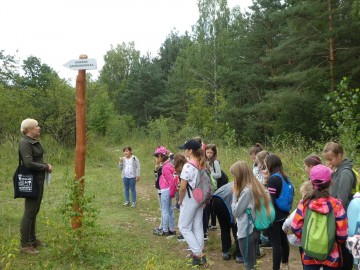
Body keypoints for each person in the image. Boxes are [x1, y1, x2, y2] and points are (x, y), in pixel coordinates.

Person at [291, 164, 348, 270]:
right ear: (330, 182)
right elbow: (342, 234)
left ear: (311, 182)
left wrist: (307, 238)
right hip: (332, 255)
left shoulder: (304, 203)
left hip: (309, 254)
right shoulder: (337, 205)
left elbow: (295, 227)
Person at [18, 118, 53, 255]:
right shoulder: (24, 142)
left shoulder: (33, 141)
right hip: (31, 180)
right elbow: (28, 163)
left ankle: (32, 240)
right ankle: (25, 245)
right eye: (36, 126)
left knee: (35, 210)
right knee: (29, 212)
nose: (39, 128)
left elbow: (36, 159)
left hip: (38, 179)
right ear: (29, 129)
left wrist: (44, 167)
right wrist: (45, 167)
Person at [231, 161, 271, 270]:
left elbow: (235, 212)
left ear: (240, 175)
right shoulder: (256, 185)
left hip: (246, 231)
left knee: (248, 265)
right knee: (251, 263)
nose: (234, 178)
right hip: (254, 229)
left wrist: (234, 193)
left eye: (234, 175)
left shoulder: (246, 191)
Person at [323, 141, 355, 269]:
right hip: (337, 217)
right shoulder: (337, 170)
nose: (329, 162)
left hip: (343, 219)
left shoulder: (345, 172)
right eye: (327, 160)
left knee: (345, 251)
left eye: (331, 159)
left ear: (340, 155)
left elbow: (342, 199)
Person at [178, 139, 207, 266]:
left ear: (190, 151)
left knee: (184, 227)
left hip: (190, 199)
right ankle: (198, 254)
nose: (184, 151)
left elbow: (183, 187)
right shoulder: (201, 164)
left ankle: (198, 254)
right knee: (197, 226)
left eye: (185, 149)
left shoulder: (188, 166)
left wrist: (180, 200)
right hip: (200, 198)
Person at [265, 154, 291, 270]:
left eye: (266, 165)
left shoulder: (272, 179)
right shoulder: (284, 177)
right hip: (284, 213)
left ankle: (276, 268)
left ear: (270, 165)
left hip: (274, 215)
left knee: (276, 244)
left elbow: (271, 199)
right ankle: (285, 263)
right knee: (283, 239)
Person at [212, 181, 243, 263]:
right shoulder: (244, 186)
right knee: (236, 228)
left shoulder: (237, 182)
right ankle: (239, 255)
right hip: (224, 201)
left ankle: (225, 252)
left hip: (215, 198)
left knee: (224, 228)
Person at [153, 146, 176, 236]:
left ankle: (165, 230)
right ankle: (172, 229)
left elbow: (171, 181)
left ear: (162, 156)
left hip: (166, 190)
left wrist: (171, 192)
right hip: (167, 190)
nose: (156, 159)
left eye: (157, 156)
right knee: (169, 209)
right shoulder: (168, 165)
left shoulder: (165, 167)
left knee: (165, 210)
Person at [205, 143, 221, 231]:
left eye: (211, 153)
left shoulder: (215, 162)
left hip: (214, 186)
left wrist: (210, 173)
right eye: (207, 152)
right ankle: (208, 223)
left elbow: (219, 174)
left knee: (212, 205)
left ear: (214, 153)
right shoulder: (205, 160)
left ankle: (213, 223)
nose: (209, 155)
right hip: (208, 185)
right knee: (209, 205)